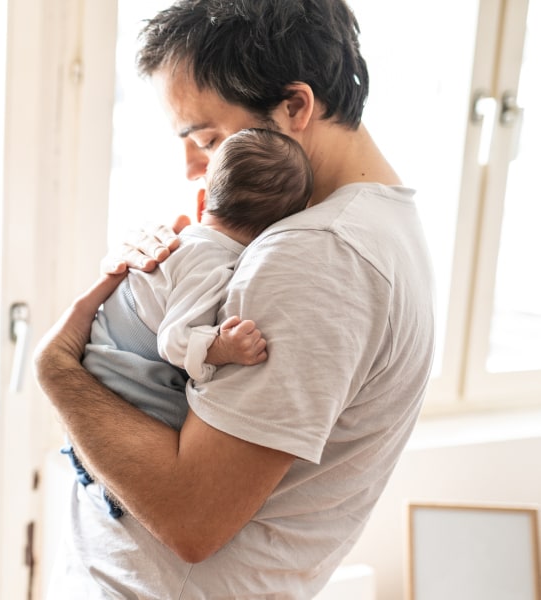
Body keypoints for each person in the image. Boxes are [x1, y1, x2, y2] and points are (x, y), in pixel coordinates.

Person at [33, 0, 435, 598]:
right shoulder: (357, 225)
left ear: (295, 105)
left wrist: (58, 368)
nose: (195, 167)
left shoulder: (317, 254)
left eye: (207, 137)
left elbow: (190, 515)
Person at [64, 128, 313, 519]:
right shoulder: (211, 263)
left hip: (106, 353)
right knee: (173, 439)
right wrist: (222, 347)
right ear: (272, 233)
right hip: (122, 372)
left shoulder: (185, 239)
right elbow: (174, 342)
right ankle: (109, 490)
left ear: (202, 201)